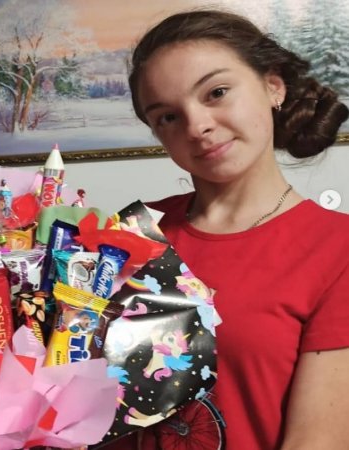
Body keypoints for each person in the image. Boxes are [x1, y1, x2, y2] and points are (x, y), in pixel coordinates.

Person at [121, 9, 349, 450]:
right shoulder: (133, 233)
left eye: (217, 93)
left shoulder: (338, 249)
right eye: (167, 116)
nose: (197, 126)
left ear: (273, 86)